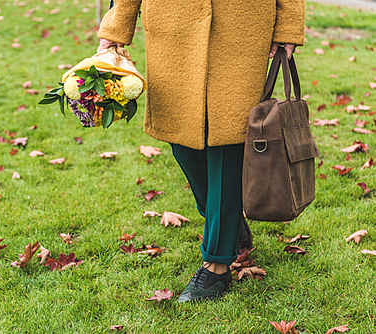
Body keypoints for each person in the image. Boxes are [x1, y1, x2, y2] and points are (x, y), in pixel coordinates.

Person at [97, 0, 304, 303]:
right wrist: (117, 23)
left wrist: (287, 24)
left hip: (242, 26)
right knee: (183, 144)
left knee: (230, 139)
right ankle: (229, 221)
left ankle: (217, 266)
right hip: (172, 27)